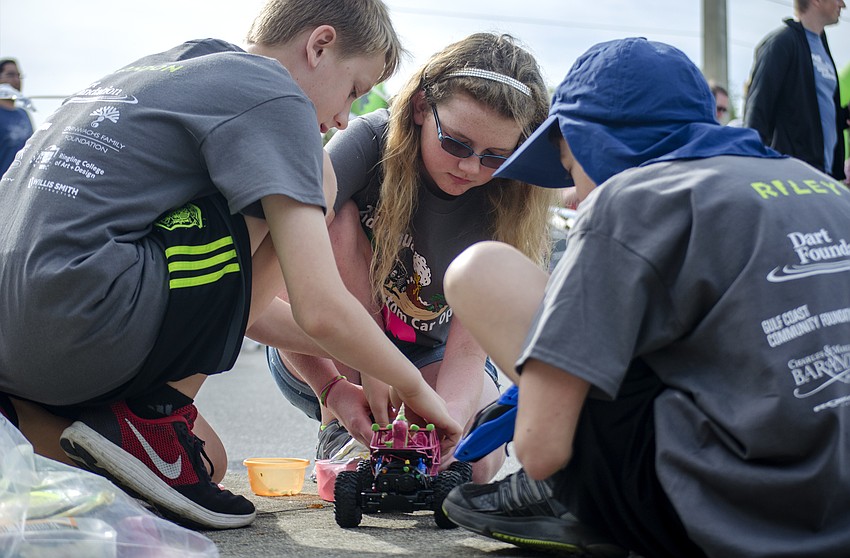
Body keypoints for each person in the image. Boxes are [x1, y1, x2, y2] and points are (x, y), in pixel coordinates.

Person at [0, 0, 463, 531]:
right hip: (83, 313)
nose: (343, 119)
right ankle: (156, 417)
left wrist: (353, 374)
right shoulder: (276, 95)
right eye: (354, 90)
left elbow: (231, 305)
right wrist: (412, 385)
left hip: (24, 339)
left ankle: (26, 428)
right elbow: (318, 306)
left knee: (208, 460)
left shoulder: (173, 68)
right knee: (318, 176)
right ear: (320, 45)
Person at [440, 37, 850, 558]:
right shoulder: (821, 186)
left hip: (729, 515)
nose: (572, 196)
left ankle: (576, 506)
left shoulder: (632, 197)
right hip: (837, 510)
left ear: (597, 143)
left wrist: (550, 389)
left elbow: (540, 451)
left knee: (481, 268)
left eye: (570, 167)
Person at [257, 33, 554, 482]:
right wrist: (335, 387)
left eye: (496, 156)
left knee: (473, 465)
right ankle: (338, 427)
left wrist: (449, 424)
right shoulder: (368, 142)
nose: (471, 168)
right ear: (420, 108)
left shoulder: (507, 197)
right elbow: (276, 278)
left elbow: (468, 354)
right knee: (331, 221)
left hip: (431, 357)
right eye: (455, 143)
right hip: (331, 355)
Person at [743, 0, 849, 180]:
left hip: (824, 175)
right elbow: (757, 112)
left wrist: (843, 116)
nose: (843, 4)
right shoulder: (781, 43)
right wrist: (754, 171)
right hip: (792, 176)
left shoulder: (822, 45)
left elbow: (810, 112)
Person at [0, 58, 34, 175]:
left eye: (18, 76)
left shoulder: (23, 113)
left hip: (20, 186)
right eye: (10, 75)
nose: (16, 80)